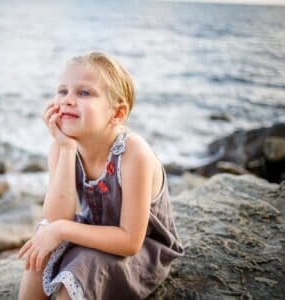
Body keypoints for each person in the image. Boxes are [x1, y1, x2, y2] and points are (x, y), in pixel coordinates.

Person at [17, 52, 184, 300]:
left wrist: (62, 229)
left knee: (82, 268)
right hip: (91, 232)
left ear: (117, 114)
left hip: (138, 252)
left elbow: (130, 241)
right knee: (43, 240)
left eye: (84, 93)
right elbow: (56, 217)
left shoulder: (133, 153)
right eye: (62, 91)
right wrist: (65, 149)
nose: (68, 100)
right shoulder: (62, 147)